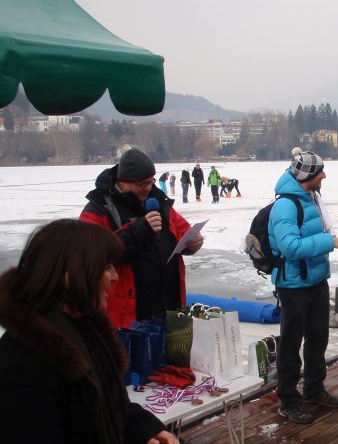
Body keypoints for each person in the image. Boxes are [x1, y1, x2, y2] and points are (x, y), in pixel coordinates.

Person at [0, 219, 179, 444]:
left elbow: (108, 403)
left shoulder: (85, 328)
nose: (115, 276)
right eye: (105, 268)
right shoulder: (22, 361)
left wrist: (143, 429)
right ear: (68, 276)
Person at [268, 147, 338, 424]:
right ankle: (288, 399)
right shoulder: (285, 204)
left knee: (318, 337)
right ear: (308, 175)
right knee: (291, 343)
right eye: (321, 172)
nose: (325, 175)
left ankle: (314, 389)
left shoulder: (311, 197)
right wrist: (332, 242)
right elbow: (290, 247)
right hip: (293, 284)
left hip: (316, 280)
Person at [80, 148, 204, 328]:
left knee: (173, 355)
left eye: (151, 182)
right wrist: (138, 230)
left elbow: (182, 231)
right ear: (122, 182)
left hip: (170, 307)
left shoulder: (159, 202)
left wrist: (192, 243)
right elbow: (90, 254)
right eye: (141, 184)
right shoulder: (99, 209)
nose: (148, 188)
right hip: (128, 314)